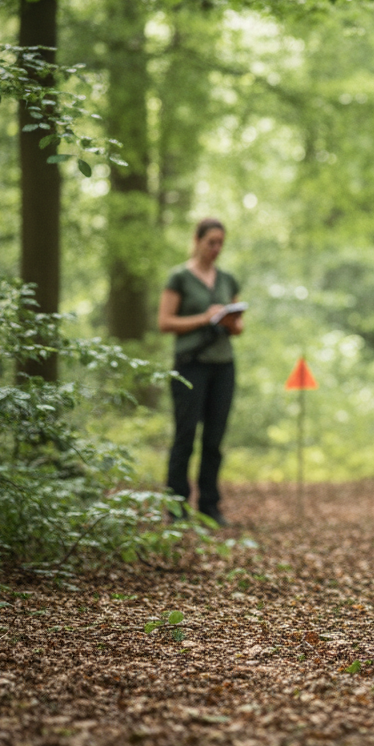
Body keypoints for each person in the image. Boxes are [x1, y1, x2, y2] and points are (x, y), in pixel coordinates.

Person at [158, 217, 243, 526]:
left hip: (223, 366)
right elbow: (165, 322)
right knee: (185, 436)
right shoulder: (178, 277)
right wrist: (203, 318)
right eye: (211, 242)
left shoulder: (227, 279)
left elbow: (239, 328)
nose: (216, 249)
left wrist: (230, 320)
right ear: (196, 240)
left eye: (221, 243)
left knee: (214, 440)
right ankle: (177, 507)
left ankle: (209, 505)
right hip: (189, 365)